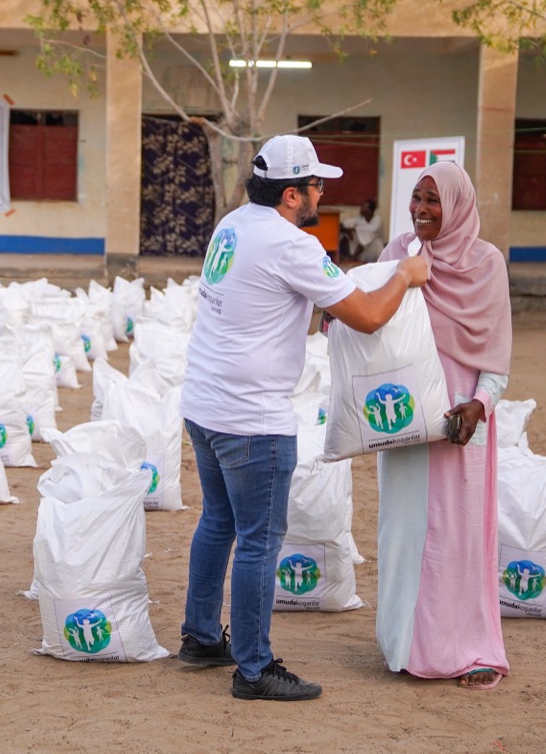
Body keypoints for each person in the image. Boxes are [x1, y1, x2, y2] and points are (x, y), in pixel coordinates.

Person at [178, 134, 429, 701]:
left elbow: (283, 298)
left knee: (218, 521)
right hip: (252, 420)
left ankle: (199, 636)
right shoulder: (292, 246)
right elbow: (365, 317)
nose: (323, 192)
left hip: (205, 405)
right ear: (292, 194)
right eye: (317, 184)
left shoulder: (235, 224)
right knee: (260, 541)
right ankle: (253, 668)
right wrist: (405, 276)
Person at [374, 161, 513, 690]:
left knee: (458, 537)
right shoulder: (401, 254)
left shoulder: (486, 263)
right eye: (416, 198)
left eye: (433, 200)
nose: (422, 210)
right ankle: (407, 648)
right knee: (406, 532)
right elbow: (370, 309)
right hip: (407, 419)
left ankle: (466, 648)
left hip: (461, 422)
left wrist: (480, 405)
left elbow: (496, 355)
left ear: (456, 204)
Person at [339, 198, 385, 263]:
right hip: (359, 245)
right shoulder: (359, 219)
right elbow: (345, 224)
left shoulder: (377, 219)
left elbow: (372, 229)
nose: (361, 208)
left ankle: (354, 256)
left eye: (363, 207)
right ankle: (352, 257)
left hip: (373, 245)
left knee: (372, 239)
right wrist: (347, 231)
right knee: (345, 236)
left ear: (370, 210)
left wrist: (354, 229)